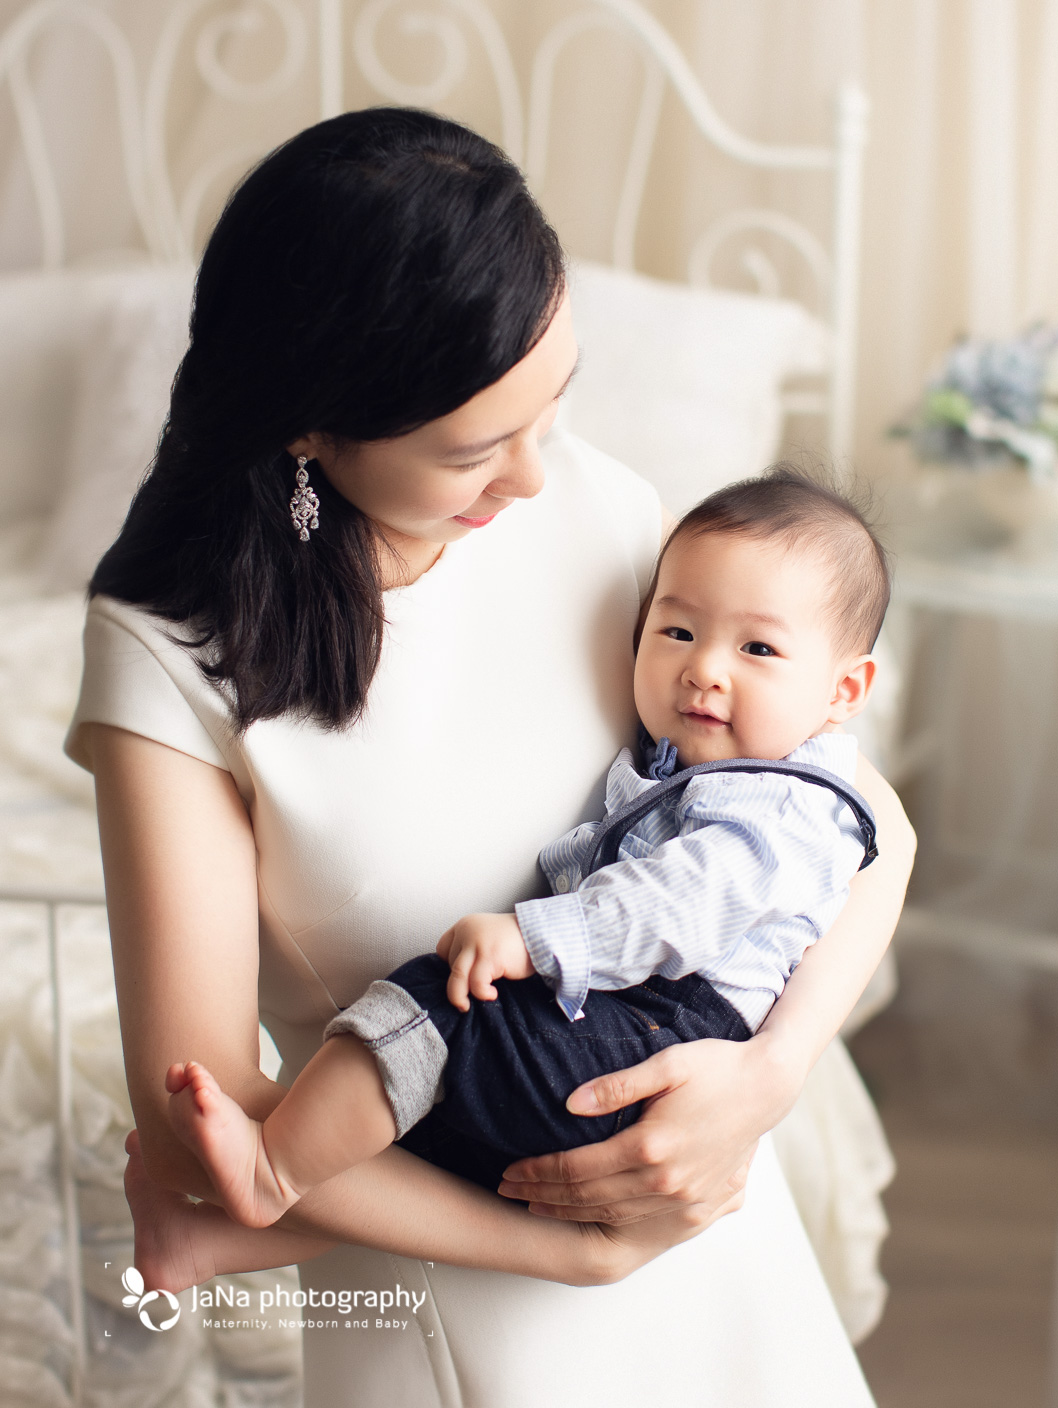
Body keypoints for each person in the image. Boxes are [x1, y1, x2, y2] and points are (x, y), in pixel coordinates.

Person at [66, 107, 915, 1408]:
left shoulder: (605, 508)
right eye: (470, 447)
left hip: (712, 1238)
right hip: (463, 1302)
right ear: (309, 428)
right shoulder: (173, 657)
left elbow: (862, 825)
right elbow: (207, 1135)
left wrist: (764, 1080)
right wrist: (571, 1256)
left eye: (553, 398)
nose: (531, 474)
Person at [158, 468, 888, 1233]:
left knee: (443, 1008)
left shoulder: (782, 803)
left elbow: (677, 903)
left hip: (664, 1027)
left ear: (844, 692)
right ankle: (227, 1237)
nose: (704, 667)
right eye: (677, 632)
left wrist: (533, 938)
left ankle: (270, 1171)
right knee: (420, 1123)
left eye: (759, 649)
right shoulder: (719, 759)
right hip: (631, 1020)